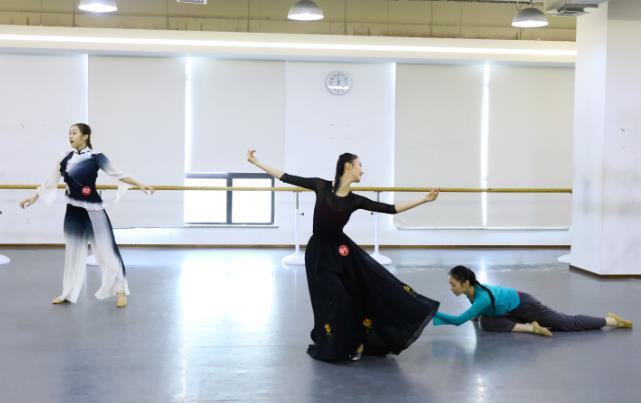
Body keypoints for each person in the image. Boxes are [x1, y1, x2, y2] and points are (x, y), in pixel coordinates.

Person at [247, 149, 440, 362]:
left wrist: (424, 200)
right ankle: (335, 343)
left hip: (341, 252)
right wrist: (257, 162)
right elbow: (286, 177)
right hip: (318, 254)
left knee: (356, 293)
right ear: (348, 166)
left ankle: (357, 342)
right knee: (334, 296)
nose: (362, 170)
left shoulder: (355, 200)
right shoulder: (321, 186)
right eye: (359, 165)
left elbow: (390, 209)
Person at [19, 123, 154, 308]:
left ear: (85, 136)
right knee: (73, 252)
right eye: (69, 133)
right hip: (73, 210)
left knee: (107, 249)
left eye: (74, 133)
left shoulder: (96, 157)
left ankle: (121, 290)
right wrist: (33, 197)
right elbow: (50, 181)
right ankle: (68, 293)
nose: (70, 136)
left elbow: (118, 174)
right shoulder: (64, 157)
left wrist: (141, 184)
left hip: (94, 209)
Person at [433, 265, 632, 336]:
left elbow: (459, 321)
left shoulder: (481, 298)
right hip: (510, 310)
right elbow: (475, 315)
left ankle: (611, 320)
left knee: (566, 323)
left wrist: (432, 312)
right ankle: (531, 327)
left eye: (453, 284)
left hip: (525, 305)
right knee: (484, 322)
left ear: (466, 283)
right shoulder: (471, 292)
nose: (451, 288)